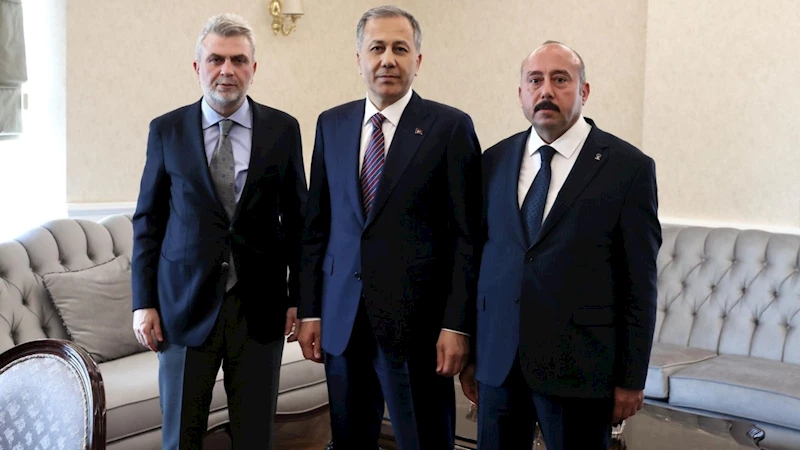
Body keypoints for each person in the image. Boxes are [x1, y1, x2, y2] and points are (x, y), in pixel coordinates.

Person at [459, 41, 662, 450]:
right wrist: (473, 353)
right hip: (499, 366)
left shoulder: (629, 169)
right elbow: (480, 261)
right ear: (521, 93)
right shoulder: (493, 162)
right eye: (535, 80)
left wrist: (631, 378)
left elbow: (639, 284)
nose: (546, 91)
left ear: (583, 91)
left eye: (560, 79)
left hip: (580, 372)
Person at [296, 5, 482, 449]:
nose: (387, 60)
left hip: (418, 329)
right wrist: (310, 310)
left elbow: (468, 237)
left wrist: (457, 325)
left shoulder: (450, 127)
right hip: (343, 321)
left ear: (418, 59)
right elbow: (316, 226)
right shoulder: (331, 124)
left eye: (400, 48)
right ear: (359, 58)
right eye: (376, 48)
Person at [130, 13, 307, 450]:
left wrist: (299, 299)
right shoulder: (166, 130)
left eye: (238, 60)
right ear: (198, 67)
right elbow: (148, 221)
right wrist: (143, 302)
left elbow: (298, 223)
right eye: (216, 59)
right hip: (183, 308)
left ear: (253, 68)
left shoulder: (283, 130)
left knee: (254, 436)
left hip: (259, 309)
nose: (226, 70)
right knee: (181, 438)